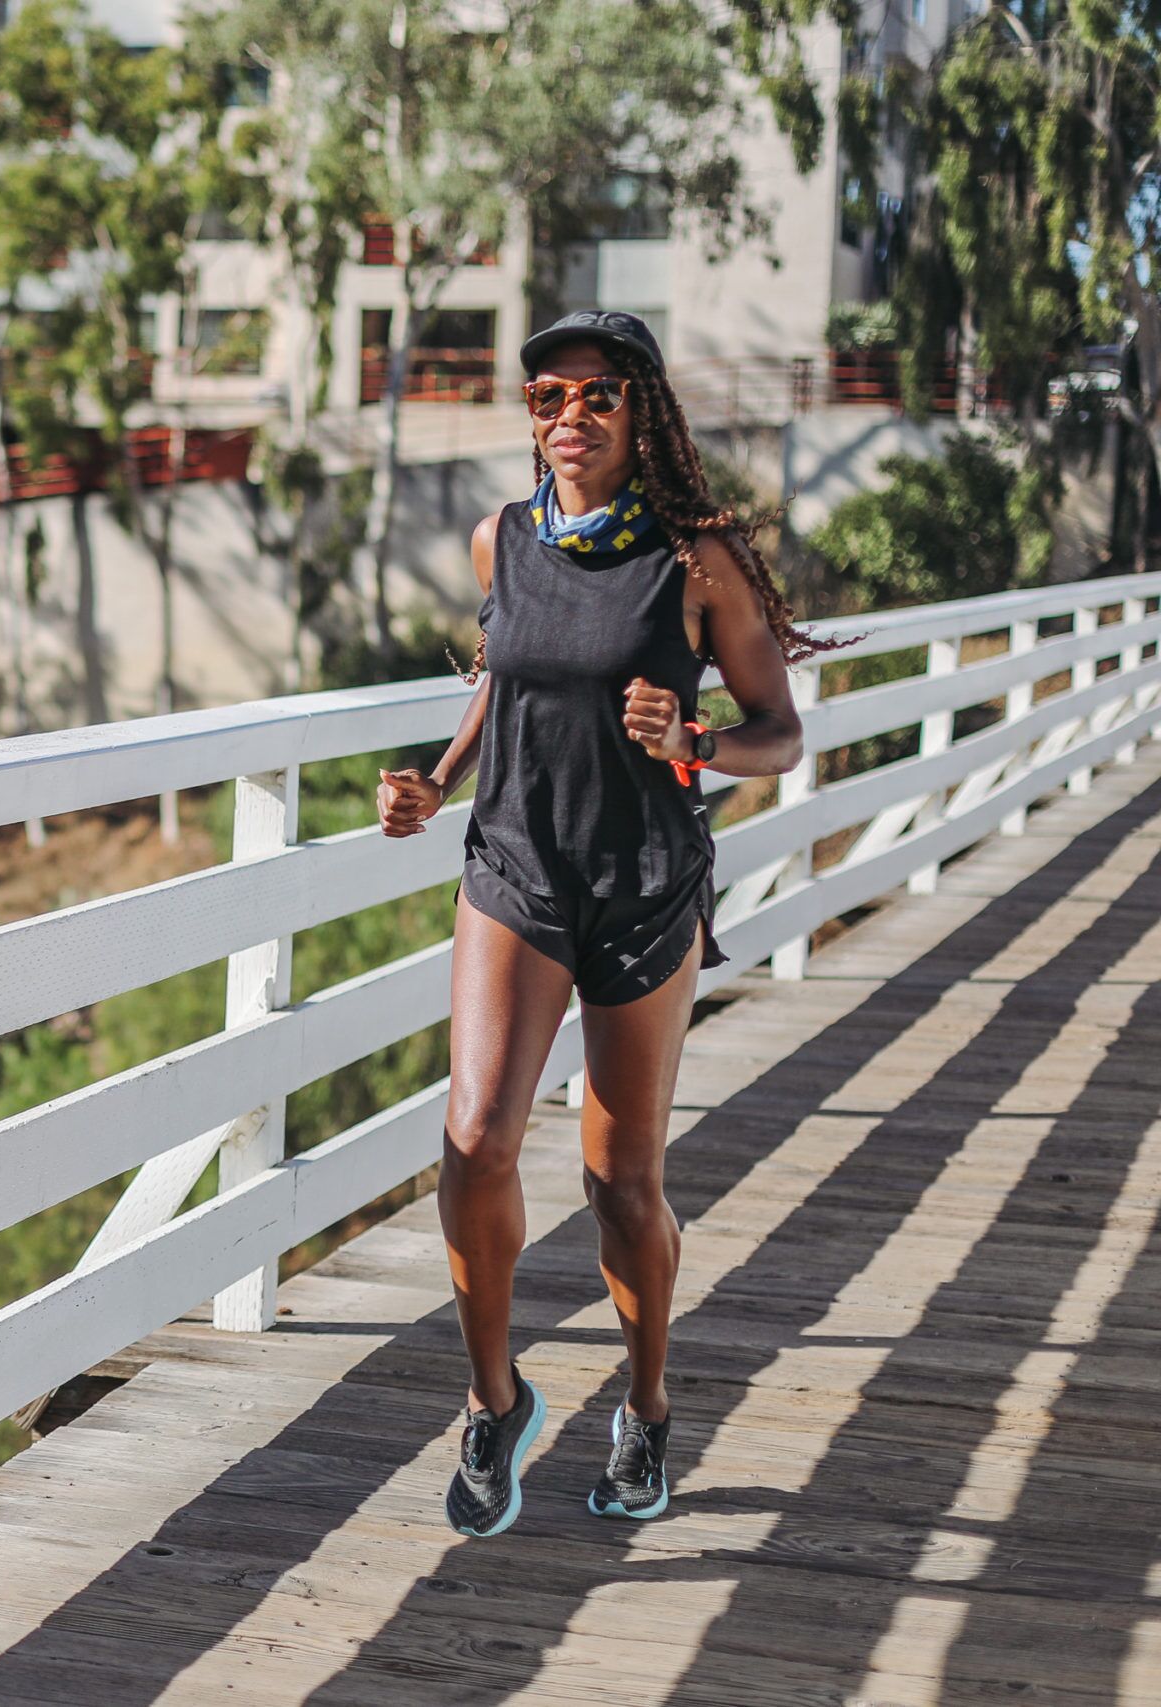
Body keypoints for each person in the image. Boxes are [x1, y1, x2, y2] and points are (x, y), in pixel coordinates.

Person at [374, 310, 839, 1537]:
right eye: (546, 397)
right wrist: (438, 779)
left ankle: (645, 1408)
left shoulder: (696, 560)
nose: (568, 417)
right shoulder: (503, 539)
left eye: (596, 396)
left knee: (619, 1181)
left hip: (642, 882)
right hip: (516, 869)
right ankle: (494, 1402)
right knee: (474, 1138)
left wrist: (695, 742)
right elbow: (502, 675)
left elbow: (781, 734)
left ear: (641, 412)